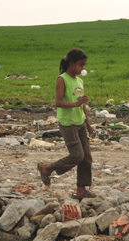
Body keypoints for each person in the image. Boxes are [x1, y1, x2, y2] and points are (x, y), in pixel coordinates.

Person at [37, 48, 96, 200]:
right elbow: (58, 102)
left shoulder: (79, 81)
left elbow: (81, 104)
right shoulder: (62, 79)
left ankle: (81, 190)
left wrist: (88, 124)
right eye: (81, 65)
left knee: (86, 157)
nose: (83, 69)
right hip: (68, 124)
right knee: (77, 156)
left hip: (80, 122)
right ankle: (48, 168)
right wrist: (76, 104)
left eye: (84, 65)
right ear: (71, 63)